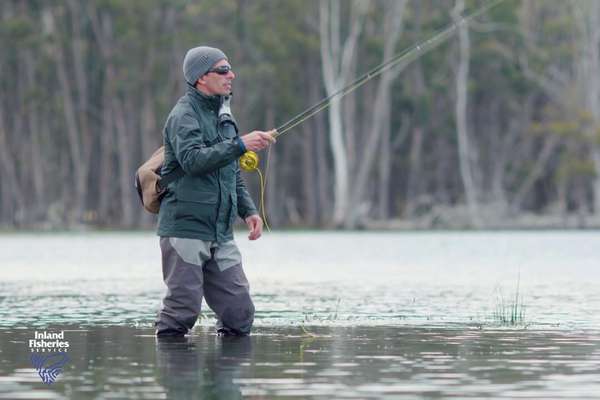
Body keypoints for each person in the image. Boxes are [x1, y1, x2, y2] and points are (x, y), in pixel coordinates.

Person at [155, 46, 275, 337]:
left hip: (221, 232)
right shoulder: (183, 115)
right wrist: (240, 145)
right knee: (183, 310)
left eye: (230, 69)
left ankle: (226, 376)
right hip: (185, 228)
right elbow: (193, 161)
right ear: (200, 77)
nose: (230, 75)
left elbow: (230, 170)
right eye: (222, 70)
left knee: (239, 313)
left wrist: (248, 211)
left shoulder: (224, 116)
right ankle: (177, 376)